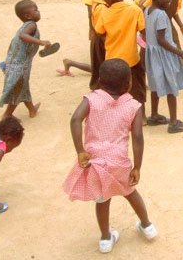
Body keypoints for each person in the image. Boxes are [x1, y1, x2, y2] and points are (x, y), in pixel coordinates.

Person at [63, 59, 157, 253]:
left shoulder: (92, 98)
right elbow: (137, 137)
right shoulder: (134, 105)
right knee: (130, 193)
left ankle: (106, 238)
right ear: (129, 84)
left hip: (95, 160)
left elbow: (75, 119)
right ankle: (147, 226)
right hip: (119, 161)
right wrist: (137, 166)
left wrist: (80, 150)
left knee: (102, 199)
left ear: (99, 80)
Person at [144, 0, 183, 133]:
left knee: (154, 85)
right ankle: (173, 122)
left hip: (152, 55)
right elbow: (161, 39)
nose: (171, 0)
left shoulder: (147, 10)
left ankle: (154, 115)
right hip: (163, 56)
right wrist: (180, 52)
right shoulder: (161, 15)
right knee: (171, 87)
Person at [94, 0, 147, 104]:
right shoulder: (135, 10)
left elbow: (99, 32)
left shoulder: (104, 12)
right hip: (132, 58)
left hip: (112, 59)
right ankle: (142, 115)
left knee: (112, 89)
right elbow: (143, 30)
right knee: (137, 87)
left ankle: (115, 114)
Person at [0, 0, 51, 118]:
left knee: (23, 86)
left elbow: (13, 43)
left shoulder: (25, 26)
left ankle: (32, 110)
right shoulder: (31, 25)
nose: (38, 12)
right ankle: (7, 114)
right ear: (27, 16)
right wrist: (41, 42)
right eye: (36, 10)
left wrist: (7, 62)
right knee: (17, 89)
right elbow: (23, 36)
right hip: (20, 65)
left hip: (15, 63)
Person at [58, 0, 109, 88]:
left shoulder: (96, 3)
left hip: (97, 39)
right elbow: (101, 29)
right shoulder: (102, 7)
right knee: (102, 68)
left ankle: (71, 63)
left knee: (98, 66)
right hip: (100, 40)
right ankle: (99, 91)